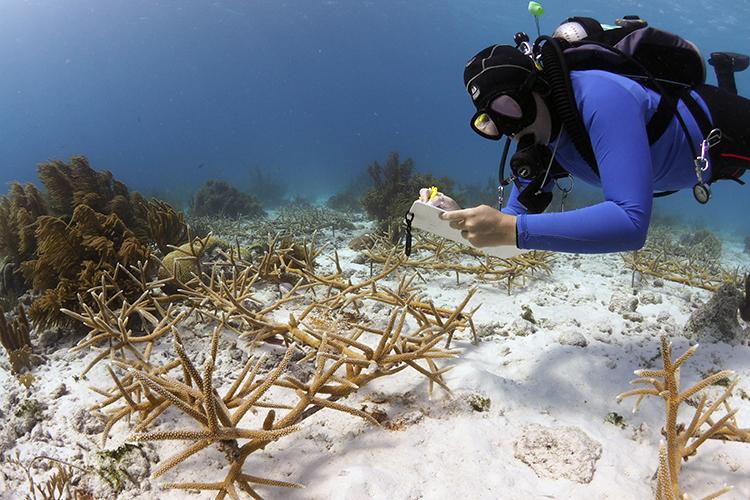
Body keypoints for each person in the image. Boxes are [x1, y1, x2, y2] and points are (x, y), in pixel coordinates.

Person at [422, 19, 750, 254]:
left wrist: (510, 230)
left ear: (537, 88)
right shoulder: (538, 141)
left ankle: (723, 72)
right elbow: (508, 226)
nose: (508, 128)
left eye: (508, 107)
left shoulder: (601, 97)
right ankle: (725, 72)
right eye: (489, 121)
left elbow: (629, 223)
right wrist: (455, 218)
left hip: (717, 127)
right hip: (699, 164)